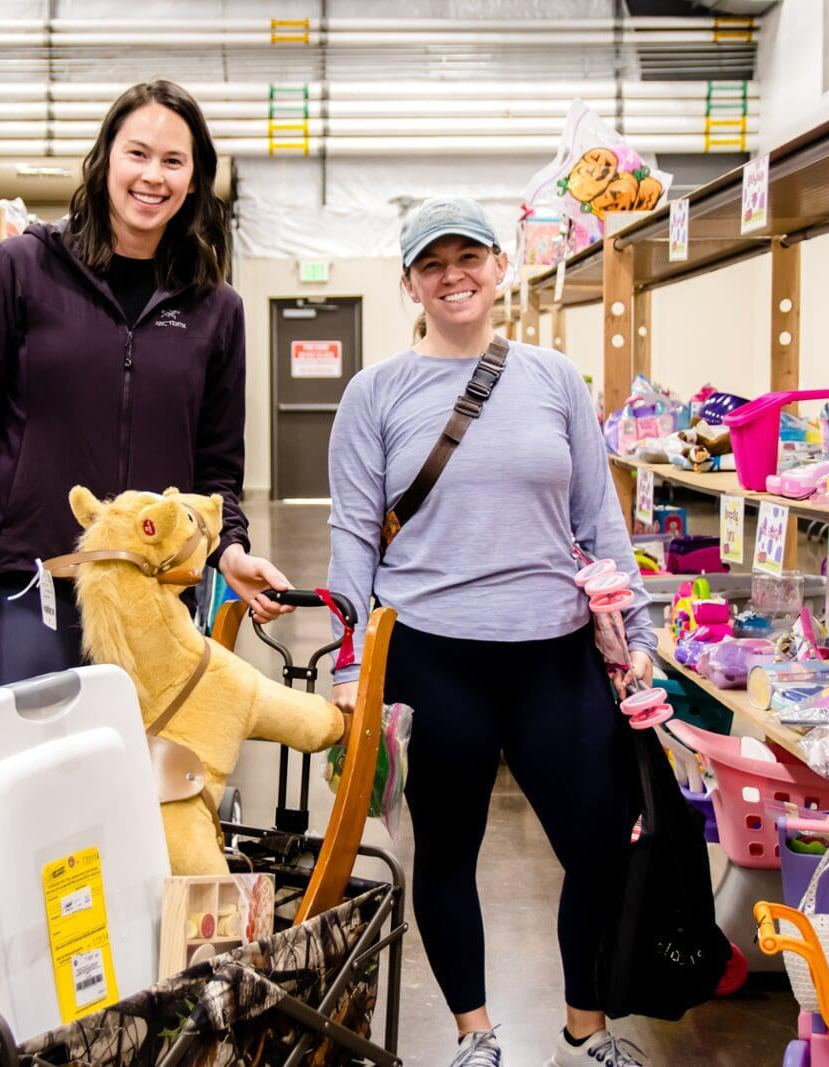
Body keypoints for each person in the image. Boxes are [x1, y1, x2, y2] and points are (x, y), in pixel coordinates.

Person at [326, 197, 658, 1067]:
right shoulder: (376, 393)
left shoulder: (555, 381)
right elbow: (355, 534)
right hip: (432, 655)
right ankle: (475, 1035)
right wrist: (348, 655)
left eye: (467, 256)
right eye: (432, 264)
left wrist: (640, 638)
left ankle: (586, 1028)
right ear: (410, 284)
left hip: (554, 651)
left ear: (500, 265)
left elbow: (601, 520)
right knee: (446, 851)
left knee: (597, 843)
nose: (453, 275)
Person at [0, 81, 292, 691]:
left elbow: (217, 471)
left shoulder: (215, 308)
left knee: (147, 781)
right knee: (32, 778)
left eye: (174, 161)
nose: (153, 176)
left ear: (194, 180)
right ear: (104, 159)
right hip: (34, 589)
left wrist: (229, 549)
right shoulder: (18, 271)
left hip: (156, 597)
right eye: (138, 153)